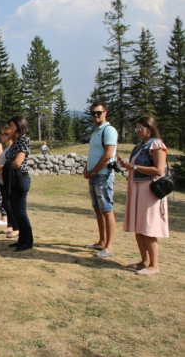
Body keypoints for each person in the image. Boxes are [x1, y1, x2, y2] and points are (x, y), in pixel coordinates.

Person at [118, 116, 169, 275]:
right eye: (136, 129)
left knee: (148, 227)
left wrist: (135, 166)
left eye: (141, 129)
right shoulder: (140, 146)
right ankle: (144, 261)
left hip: (149, 190)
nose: (138, 132)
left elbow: (159, 170)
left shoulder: (156, 145)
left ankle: (154, 265)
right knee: (139, 227)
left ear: (150, 128)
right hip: (137, 189)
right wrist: (128, 166)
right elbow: (136, 167)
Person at [83, 102, 118, 258]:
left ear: (105, 113)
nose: (95, 115)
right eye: (93, 113)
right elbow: (95, 153)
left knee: (107, 210)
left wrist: (94, 171)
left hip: (103, 176)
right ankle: (102, 242)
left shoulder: (109, 131)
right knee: (98, 209)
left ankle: (109, 247)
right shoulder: (96, 131)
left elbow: (108, 155)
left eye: (98, 112)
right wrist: (87, 168)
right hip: (95, 175)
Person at [5, 116, 34, 252]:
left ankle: (27, 241)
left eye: (12, 125)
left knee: (21, 212)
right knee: (16, 210)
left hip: (20, 179)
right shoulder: (17, 140)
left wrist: (4, 167)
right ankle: (21, 239)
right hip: (14, 179)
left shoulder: (23, 139)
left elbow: (17, 162)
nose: (10, 128)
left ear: (19, 125)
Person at [0, 126, 19, 237]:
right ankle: (10, 226)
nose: (1, 137)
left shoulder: (12, 148)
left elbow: (11, 164)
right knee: (5, 202)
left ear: (8, 136)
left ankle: (16, 227)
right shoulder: (6, 149)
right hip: (2, 179)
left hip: (7, 179)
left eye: (2, 135)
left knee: (7, 203)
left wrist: (0, 168)